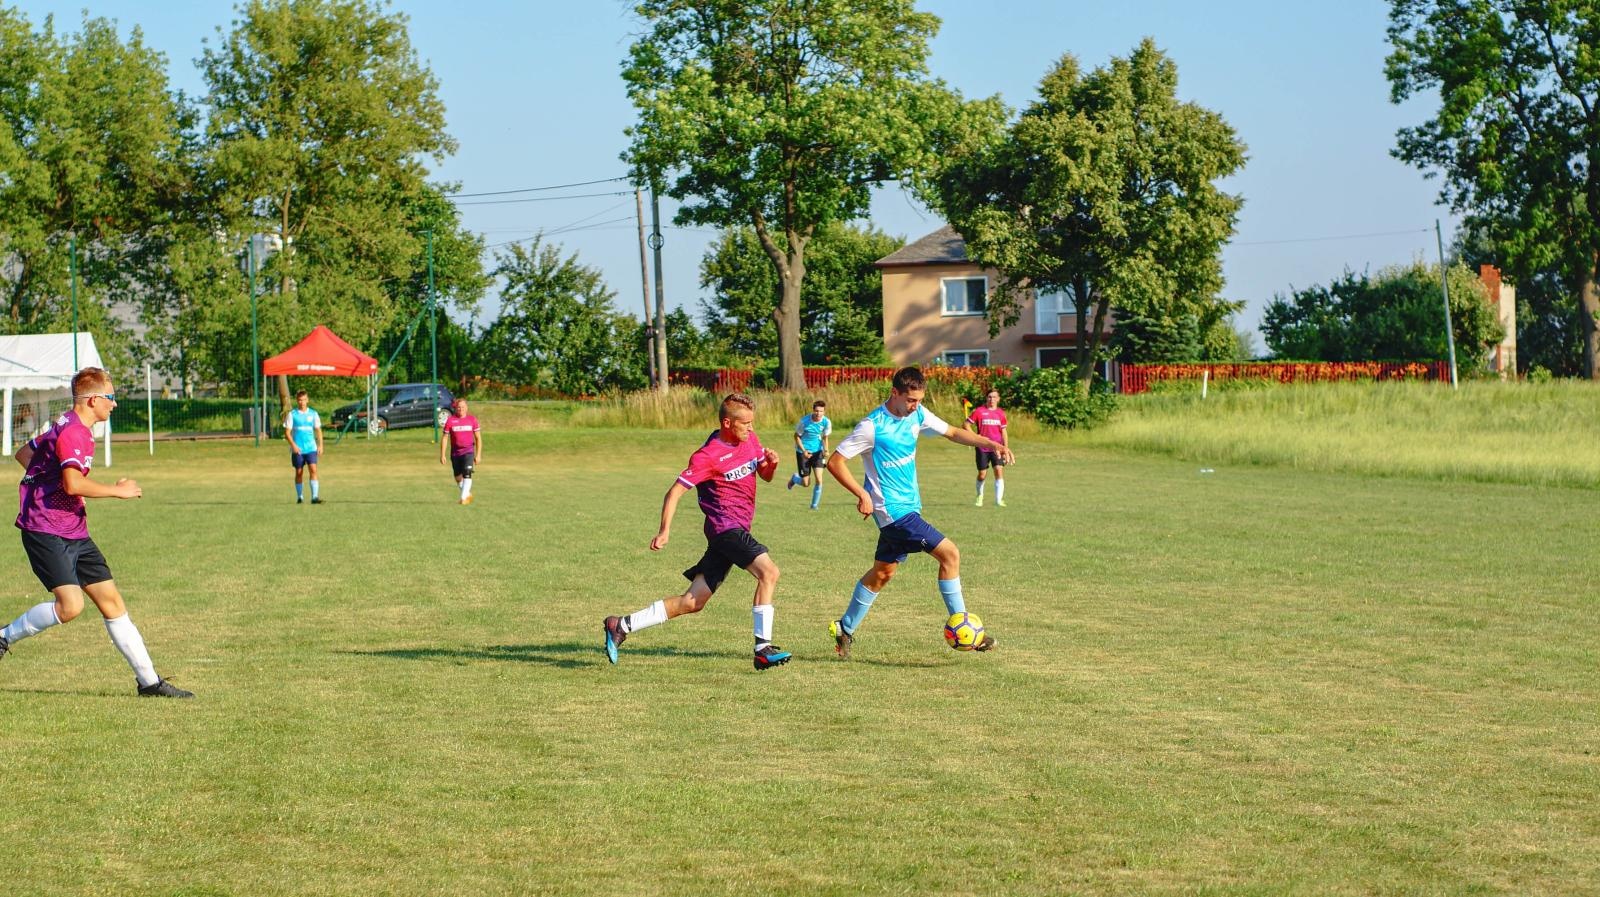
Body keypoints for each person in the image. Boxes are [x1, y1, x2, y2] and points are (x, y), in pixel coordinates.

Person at [0, 367, 192, 697]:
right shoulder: (75, 432)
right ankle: (4, 636)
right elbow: (73, 483)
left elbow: (25, 454)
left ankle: (149, 683)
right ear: (93, 399)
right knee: (70, 607)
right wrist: (118, 491)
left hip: (72, 528)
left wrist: (43, 480)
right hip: (46, 529)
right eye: (111, 397)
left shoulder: (66, 423)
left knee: (112, 602)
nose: (114, 404)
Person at [824, 366, 1015, 659]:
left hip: (908, 507)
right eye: (910, 400)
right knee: (950, 554)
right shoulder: (871, 426)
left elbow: (952, 432)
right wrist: (862, 493)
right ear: (895, 393)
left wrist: (990, 442)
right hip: (893, 511)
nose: (915, 406)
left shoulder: (918, 414)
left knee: (882, 573)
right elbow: (836, 462)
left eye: (919, 400)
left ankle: (844, 629)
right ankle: (966, 630)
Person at [603, 393, 790, 671]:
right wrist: (664, 531)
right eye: (745, 423)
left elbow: (764, 475)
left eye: (752, 422)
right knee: (769, 572)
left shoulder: (749, 439)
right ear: (727, 423)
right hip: (725, 529)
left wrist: (770, 464)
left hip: (734, 530)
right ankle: (762, 649)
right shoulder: (707, 456)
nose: (751, 428)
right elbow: (674, 492)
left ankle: (621, 625)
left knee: (693, 601)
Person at [966, 388, 1010, 507]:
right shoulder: (979, 411)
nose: (992, 399)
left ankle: (998, 500)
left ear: (998, 399)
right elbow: (966, 425)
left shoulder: (1001, 413)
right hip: (982, 448)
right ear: (986, 398)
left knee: (998, 471)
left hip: (997, 448)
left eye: (994, 397)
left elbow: (1004, 432)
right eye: (990, 397)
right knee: (982, 474)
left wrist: (1005, 448)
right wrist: (975, 437)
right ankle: (980, 496)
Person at [786, 399, 832, 510]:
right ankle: (795, 479)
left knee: (819, 479)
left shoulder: (826, 422)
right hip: (803, 452)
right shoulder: (804, 422)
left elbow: (825, 437)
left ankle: (814, 506)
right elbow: (796, 436)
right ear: (813, 411)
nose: (818, 414)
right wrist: (804, 451)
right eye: (816, 411)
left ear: (824, 412)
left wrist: (826, 450)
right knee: (806, 483)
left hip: (817, 452)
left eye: (821, 411)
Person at [440, 397, 482, 505]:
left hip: (468, 451)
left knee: (467, 473)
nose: (461, 409)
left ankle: (463, 498)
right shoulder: (450, 420)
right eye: (459, 407)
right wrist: (442, 454)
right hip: (455, 453)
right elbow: (445, 437)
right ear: (455, 408)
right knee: (458, 478)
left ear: (466, 408)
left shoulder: (472, 420)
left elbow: (478, 438)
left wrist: (478, 455)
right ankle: (467, 493)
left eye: (463, 407)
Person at [284, 390, 324, 504]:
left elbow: (318, 430)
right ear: (297, 401)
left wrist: (320, 445)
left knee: (313, 469)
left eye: (304, 400)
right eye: (300, 400)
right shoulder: (292, 414)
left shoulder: (313, 414)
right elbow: (287, 433)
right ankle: (300, 496)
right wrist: (294, 446)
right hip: (298, 449)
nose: (302, 402)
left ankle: (315, 497)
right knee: (299, 472)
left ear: (307, 400)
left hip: (311, 448)